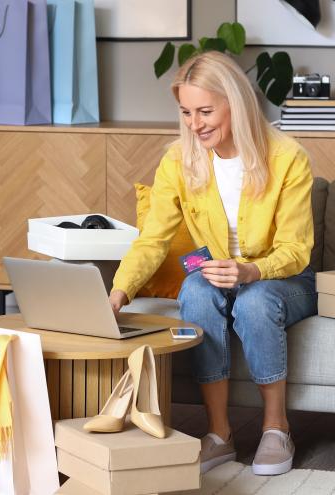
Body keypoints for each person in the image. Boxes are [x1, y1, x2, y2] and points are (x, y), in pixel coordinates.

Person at [108, 51, 317, 476]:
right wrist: (118, 293)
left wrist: (251, 271)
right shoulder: (178, 161)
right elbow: (153, 239)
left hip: (283, 277)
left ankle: (276, 428)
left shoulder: (287, 157)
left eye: (205, 111)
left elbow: (296, 249)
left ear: (235, 103)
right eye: (186, 112)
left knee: (255, 301)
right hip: (219, 275)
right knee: (195, 291)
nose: (195, 124)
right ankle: (219, 433)